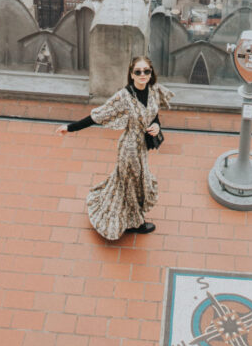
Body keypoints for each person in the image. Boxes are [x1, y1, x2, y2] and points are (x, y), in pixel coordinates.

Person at [56, 56, 172, 240]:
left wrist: (157, 126)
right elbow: (98, 115)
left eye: (146, 71)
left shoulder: (153, 91)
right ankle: (136, 223)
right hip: (129, 149)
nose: (143, 75)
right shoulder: (124, 97)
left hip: (142, 149)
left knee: (127, 182)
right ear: (131, 75)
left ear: (151, 73)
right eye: (138, 72)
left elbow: (154, 114)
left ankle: (121, 212)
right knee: (133, 185)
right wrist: (71, 127)